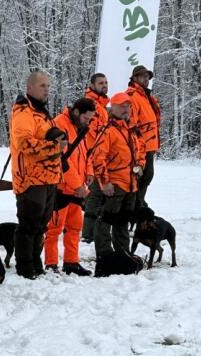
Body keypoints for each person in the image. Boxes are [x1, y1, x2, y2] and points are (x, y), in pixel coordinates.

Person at [9, 70, 65, 279]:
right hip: (30, 179)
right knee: (29, 223)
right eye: (43, 86)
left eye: (48, 86)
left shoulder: (43, 114)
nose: (47, 90)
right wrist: (55, 147)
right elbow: (24, 144)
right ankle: (24, 266)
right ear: (30, 88)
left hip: (48, 178)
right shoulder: (24, 113)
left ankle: (35, 263)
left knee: (41, 224)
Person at [44, 98, 96, 276]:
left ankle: (71, 262)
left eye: (90, 119)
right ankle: (51, 264)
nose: (88, 122)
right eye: (86, 118)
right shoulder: (60, 125)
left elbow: (86, 154)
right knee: (54, 229)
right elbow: (62, 161)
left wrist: (89, 173)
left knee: (74, 228)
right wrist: (77, 185)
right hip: (61, 187)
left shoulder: (79, 127)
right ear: (76, 112)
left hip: (77, 186)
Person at [92, 91, 146, 256]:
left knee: (122, 221)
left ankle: (123, 253)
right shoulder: (107, 130)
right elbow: (98, 158)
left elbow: (140, 151)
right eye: (122, 106)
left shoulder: (131, 130)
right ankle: (105, 253)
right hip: (115, 184)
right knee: (106, 220)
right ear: (113, 107)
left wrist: (141, 166)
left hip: (131, 184)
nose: (126, 109)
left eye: (128, 106)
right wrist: (105, 182)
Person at [126, 65, 161, 209]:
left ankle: (138, 207)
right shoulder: (133, 96)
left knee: (146, 178)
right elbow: (131, 124)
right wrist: (137, 144)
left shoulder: (146, 96)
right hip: (141, 147)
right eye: (143, 76)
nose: (146, 79)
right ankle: (134, 208)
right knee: (139, 180)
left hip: (150, 146)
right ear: (135, 78)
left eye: (147, 77)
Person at [81, 73, 110, 244]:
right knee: (94, 196)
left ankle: (94, 232)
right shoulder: (91, 105)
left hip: (101, 156)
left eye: (106, 82)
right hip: (92, 156)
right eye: (101, 83)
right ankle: (88, 234)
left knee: (98, 197)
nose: (104, 85)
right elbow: (89, 133)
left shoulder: (102, 106)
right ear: (92, 85)